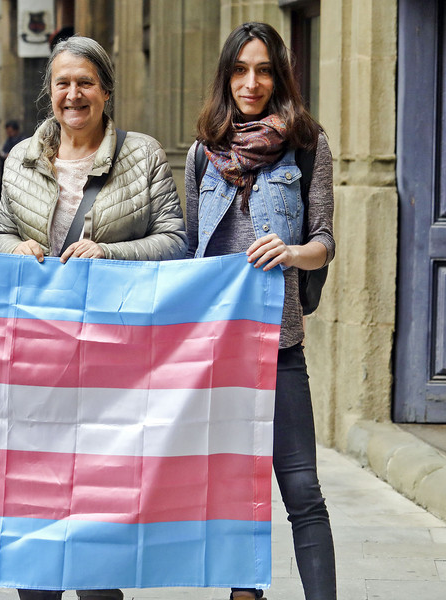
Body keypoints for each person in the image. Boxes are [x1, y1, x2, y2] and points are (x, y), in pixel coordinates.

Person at [0, 36, 186, 600]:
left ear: (106, 91)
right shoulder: (21, 158)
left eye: (85, 83)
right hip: (38, 361)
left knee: (99, 522)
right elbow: (0, 231)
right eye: (62, 83)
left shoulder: (143, 155)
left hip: (113, 366)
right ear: (49, 93)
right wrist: (14, 248)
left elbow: (176, 242)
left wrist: (110, 253)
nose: (73, 95)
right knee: (37, 516)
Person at [184, 22, 337, 600]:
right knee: (228, 493)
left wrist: (291, 252)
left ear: (280, 77)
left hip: (279, 347)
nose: (252, 82)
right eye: (241, 70)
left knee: (302, 491)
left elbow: (324, 239)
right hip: (217, 353)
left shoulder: (307, 143)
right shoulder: (204, 152)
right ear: (227, 76)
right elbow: (192, 251)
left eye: (264, 70)